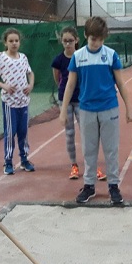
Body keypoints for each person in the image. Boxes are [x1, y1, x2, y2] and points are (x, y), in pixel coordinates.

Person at [59, 16, 132, 205]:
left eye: (100, 39)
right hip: (86, 109)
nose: (96, 43)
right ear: (85, 35)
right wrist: (63, 110)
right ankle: (89, 185)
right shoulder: (78, 56)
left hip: (109, 108)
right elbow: (70, 84)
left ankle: (113, 186)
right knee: (89, 149)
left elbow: (120, 83)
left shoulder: (111, 55)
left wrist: (129, 107)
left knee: (111, 149)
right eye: (93, 39)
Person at [51, 27, 106, 181]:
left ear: (76, 40)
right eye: (65, 41)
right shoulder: (58, 60)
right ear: (61, 42)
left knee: (87, 133)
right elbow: (58, 78)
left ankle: (93, 165)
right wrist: (64, 93)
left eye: (70, 40)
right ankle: (74, 165)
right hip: (66, 100)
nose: (68, 44)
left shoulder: (82, 57)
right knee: (69, 134)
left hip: (82, 99)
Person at [0, 28, 35, 175]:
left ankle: (24, 160)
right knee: (10, 132)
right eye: (11, 41)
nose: (14, 43)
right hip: (9, 102)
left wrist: (30, 85)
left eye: (16, 40)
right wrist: (3, 85)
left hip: (23, 101)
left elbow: (30, 73)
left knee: (23, 131)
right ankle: (8, 162)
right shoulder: (0, 57)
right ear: (5, 42)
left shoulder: (23, 57)